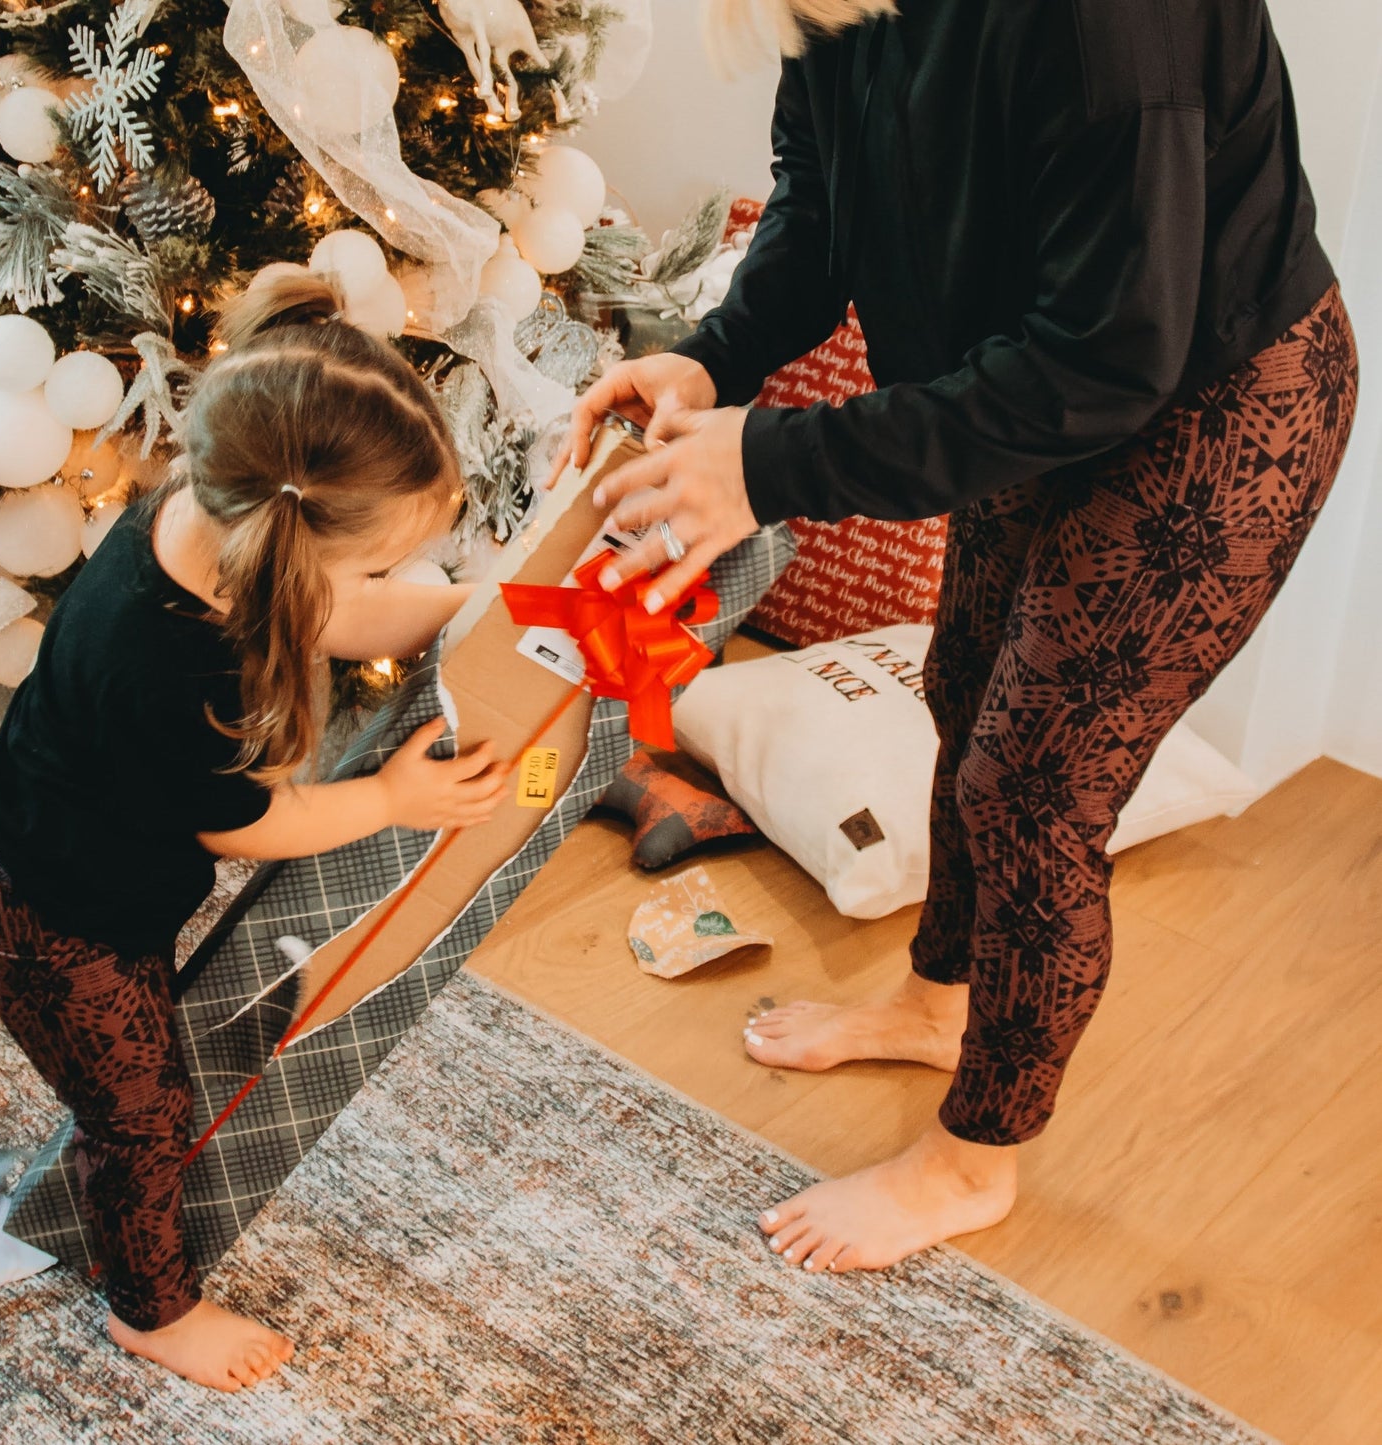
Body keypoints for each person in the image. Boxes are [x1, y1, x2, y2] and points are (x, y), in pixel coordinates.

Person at [556, 0, 1360, 1274]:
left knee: (1031, 785)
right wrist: (712, 365)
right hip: (1022, 383)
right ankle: (937, 1006)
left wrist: (773, 464)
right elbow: (819, 205)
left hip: (1207, 403)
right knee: (960, 689)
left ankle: (969, 1163)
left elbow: (1115, 351)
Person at [0, 272, 507, 1391]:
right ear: (289, 542)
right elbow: (249, 822)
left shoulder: (202, 510)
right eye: (368, 561)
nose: (369, 587)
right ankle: (148, 1307)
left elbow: (334, 608)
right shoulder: (170, 666)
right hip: (57, 921)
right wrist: (396, 799)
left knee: (140, 1076)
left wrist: (464, 610)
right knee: (146, 1117)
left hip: (86, 865)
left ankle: (131, 1249)